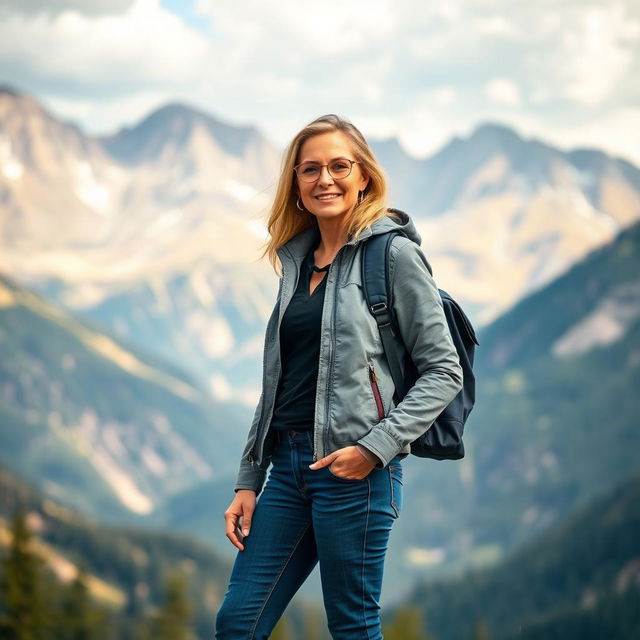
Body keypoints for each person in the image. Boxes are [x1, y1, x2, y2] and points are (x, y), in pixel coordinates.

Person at [215, 114, 463, 639]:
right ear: (296, 185)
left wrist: (376, 448)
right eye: (310, 169)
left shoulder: (393, 255)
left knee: (352, 625)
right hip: (286, 470)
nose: (324, 178)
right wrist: (248, 479)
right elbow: (279, 384)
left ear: (363, 177)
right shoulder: (298, 262)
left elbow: (444, 370)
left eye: (338, 166)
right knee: (237, 623)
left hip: (357, 472)